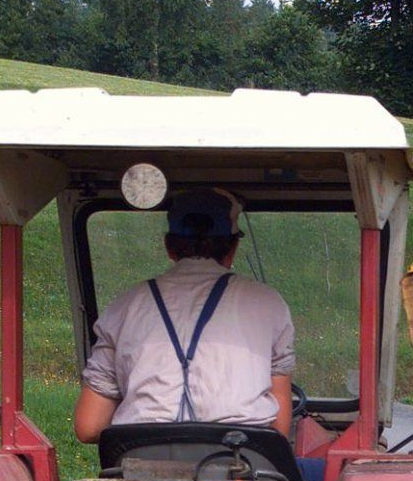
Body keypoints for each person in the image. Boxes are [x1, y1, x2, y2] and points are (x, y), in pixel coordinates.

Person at [73, 188, 294, 443]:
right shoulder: (269, 304)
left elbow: (88, 426)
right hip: (242, 464)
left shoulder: (124, 306)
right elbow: (279, 430)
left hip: (142, 464)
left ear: (169, 247)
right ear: (232, 247)